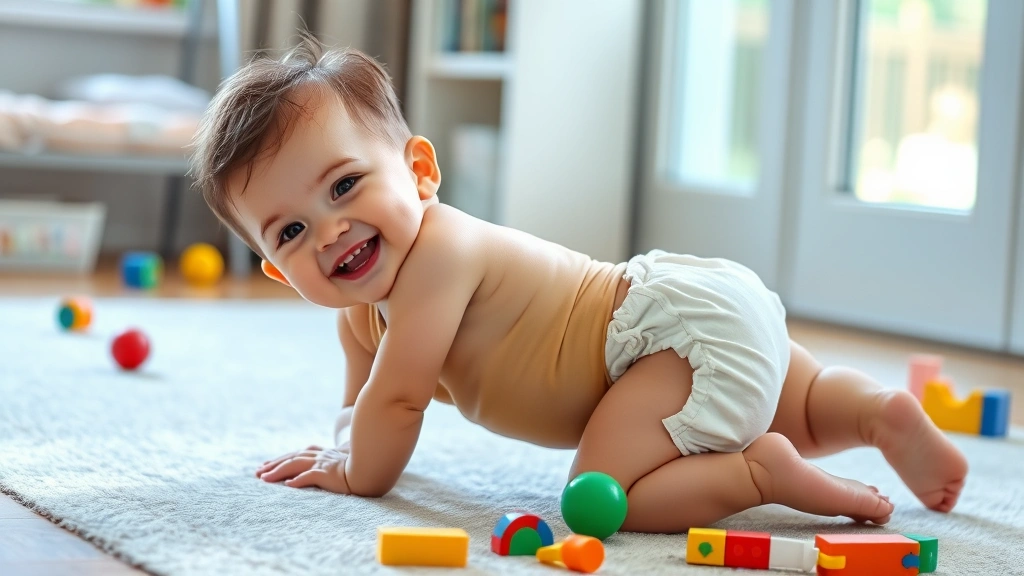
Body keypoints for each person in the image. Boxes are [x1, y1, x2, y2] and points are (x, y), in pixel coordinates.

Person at [189, 37, 967, 533]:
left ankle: (757, 474)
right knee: (797, 398)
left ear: (421, 173)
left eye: (346, 185)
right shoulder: (361, 319)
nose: (329, 231)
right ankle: (874, 413)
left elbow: (394, 409)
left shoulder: (437, 256)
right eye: (289, 232)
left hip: (657, 342)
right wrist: (338, 443)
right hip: (688, 311)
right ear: (274, 269)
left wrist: (355, 473)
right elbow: (362, 408)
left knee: (602, 499)